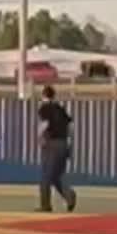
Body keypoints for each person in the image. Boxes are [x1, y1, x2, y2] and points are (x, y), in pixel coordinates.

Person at [36, 85, 77, 213]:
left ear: (43, 95)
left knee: (46, 176)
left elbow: (45, 124)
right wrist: (69, 142)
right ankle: (69, 196)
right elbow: (71, 126)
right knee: (56, 175)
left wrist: (40, 136)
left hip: (51, 143)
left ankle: (45, 205)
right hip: (63, 143)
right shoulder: (60, 108)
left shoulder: (44, 108)